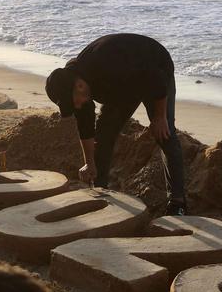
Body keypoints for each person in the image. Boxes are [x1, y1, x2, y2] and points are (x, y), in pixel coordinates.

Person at [44, 33, 187, 216]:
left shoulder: (109, 65)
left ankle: (178, 202)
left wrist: (159, 118)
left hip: (155, 68)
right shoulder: (76, 88)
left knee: (164, 134)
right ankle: (100, 191)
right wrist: (90, 164)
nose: (77, 106)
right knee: (104, 134)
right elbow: (87, 129)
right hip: (122, 86)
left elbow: (157, 79)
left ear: (79, 86)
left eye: (75, 102)